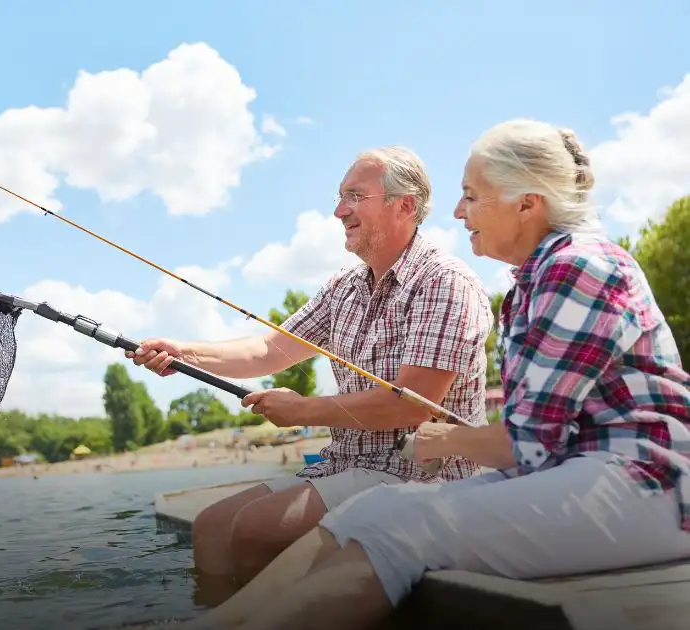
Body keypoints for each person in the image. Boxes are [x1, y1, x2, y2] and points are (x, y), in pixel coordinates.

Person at [151, 118, 690, 630]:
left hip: (649, 483)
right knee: (382, 510)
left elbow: (528, 443)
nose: (457, 212)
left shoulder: (573, 267)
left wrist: (443, 439)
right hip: (589, 472)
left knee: (406, 521)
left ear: (527, 203)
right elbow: (269, 347)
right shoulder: (534, 277)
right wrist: (183, 352)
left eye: (473, 196)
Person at [126, 146, 494, 585]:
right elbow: (269, 350)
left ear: (406, 205)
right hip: (345, 464)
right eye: (340, 197)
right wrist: (184, 353)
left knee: (255, 529)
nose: (340, 210)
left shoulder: (445, 282)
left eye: (356, 196)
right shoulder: (344, 285)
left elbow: (411, 406)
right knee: (209, 526)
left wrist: (301, 410)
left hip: (424, 477)